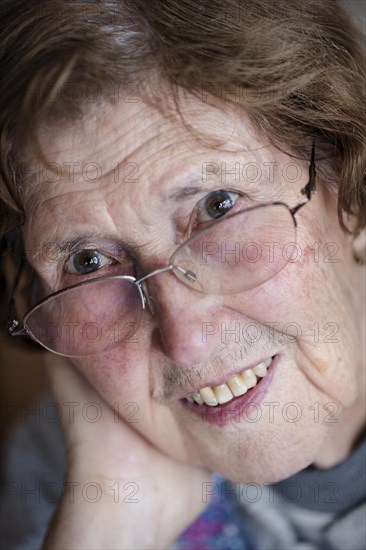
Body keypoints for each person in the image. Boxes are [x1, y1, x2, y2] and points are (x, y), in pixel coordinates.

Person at [0, 0, 365, 548]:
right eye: (88, 263)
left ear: (352, 196)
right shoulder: (67, 469)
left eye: (218, 207)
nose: (186, 341)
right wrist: (113, 522)